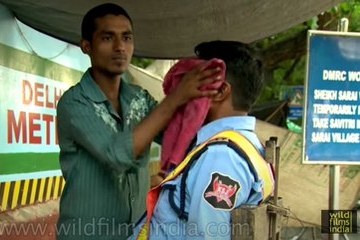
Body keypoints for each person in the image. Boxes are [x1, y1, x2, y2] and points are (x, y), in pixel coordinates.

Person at [55, 3, 222, 240]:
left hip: (136, 233)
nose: (120, 47)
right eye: (107, 37)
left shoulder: (139, 99)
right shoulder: (74, 103)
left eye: (126, 38)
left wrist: (202, 101)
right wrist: (175, 98)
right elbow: (116, 156)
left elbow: (180, 137)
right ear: (86, 46)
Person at [129, 40, 275, 240]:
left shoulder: (220, 156)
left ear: (220, 91)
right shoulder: (243, 145)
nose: (186, 90)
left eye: (196, 82)